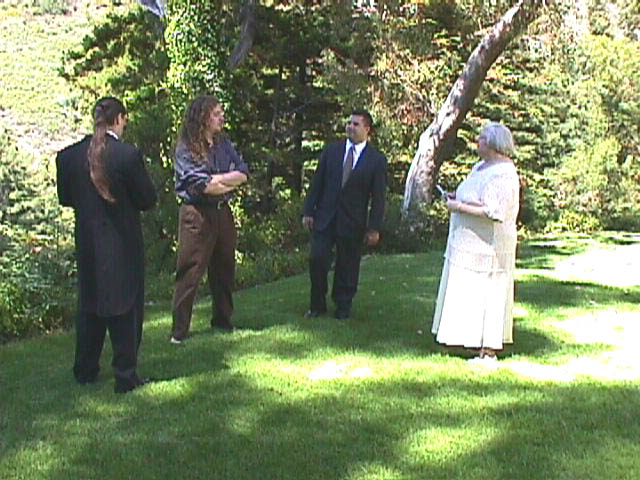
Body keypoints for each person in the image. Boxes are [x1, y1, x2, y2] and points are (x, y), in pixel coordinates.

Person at [56, 96, 157, 393]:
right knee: (126, 307)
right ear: (120, 119)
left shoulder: (69, 157)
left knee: (89, 306)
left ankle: (85, 370)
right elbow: (147, 199)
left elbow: (66, 198)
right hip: (123, 243)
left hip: (88, 243)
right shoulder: (127, 156)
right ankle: (125, 375)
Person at [431, 122, 519, 365]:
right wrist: (456, 197)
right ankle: (468, 339)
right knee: (469, 291)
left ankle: (488, 350)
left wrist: (458, 207)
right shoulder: (480, 167)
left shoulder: (504, 174)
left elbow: (495, 211)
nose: (477, 142)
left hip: (489, 247)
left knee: (489, 292)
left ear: (493, 144)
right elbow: (476, 196)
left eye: (481, 139)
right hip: (467, 244)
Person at [170, 95, 249, 344]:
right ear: (203, 117)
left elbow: (243, 173)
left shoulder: (223, 143)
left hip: (222, 212)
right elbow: (203, 185)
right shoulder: (187, 147)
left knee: (224, 268)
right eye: (216, 113)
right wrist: (225, 180)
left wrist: (218, 180)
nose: (221, 117)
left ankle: (223, 321)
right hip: (197, 215)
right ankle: (179, 332)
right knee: (190, 272)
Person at [302, 109, 387, 320]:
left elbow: (378, 197)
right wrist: (308, 211)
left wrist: (374, 228)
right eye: (349, 123)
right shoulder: (332, 152)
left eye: (356, 124)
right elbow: (317, 183)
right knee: (317, 259)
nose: (350, 127)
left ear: (367, 129)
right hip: (325, 217)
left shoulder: (376, 160)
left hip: (352, 221)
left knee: (347, 265)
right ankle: (317, 305)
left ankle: (343, 306)